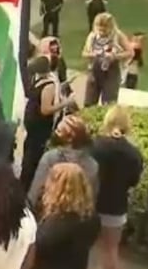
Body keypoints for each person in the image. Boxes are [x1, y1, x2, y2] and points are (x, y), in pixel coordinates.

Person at [89, 105, 143, 269]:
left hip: (91, 204)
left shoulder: (96, 146)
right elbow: (134, 181)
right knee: (111, 251)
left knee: (85, 249)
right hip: (116, 207)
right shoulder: (133, 154)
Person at [28, 116, 99, 227]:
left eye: (59, 131)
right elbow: (92, 197)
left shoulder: (50, 158)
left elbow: (35, 192)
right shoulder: (93, 165)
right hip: (78, 224)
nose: (55, 133)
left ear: (69, 138)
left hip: (48, 220)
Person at [19, 57, 73, 191]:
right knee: (28, 155)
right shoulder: (40, 81)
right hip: (33, 128)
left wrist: (65, 103)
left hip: (39, 128)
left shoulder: (48, 85)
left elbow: (45, 109)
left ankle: (27, 187)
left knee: (32, 159)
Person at [82, 12, 130, 107]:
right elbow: (84, 53)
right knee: (89, 103)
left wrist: (115, 56)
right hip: (94, 71)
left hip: (111, 72)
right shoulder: (92, 37)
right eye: (99, 27)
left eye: (105, 28)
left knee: (109, 103)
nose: (102, 31)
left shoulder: (118, 36)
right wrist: (92, 54)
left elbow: (130, 52)